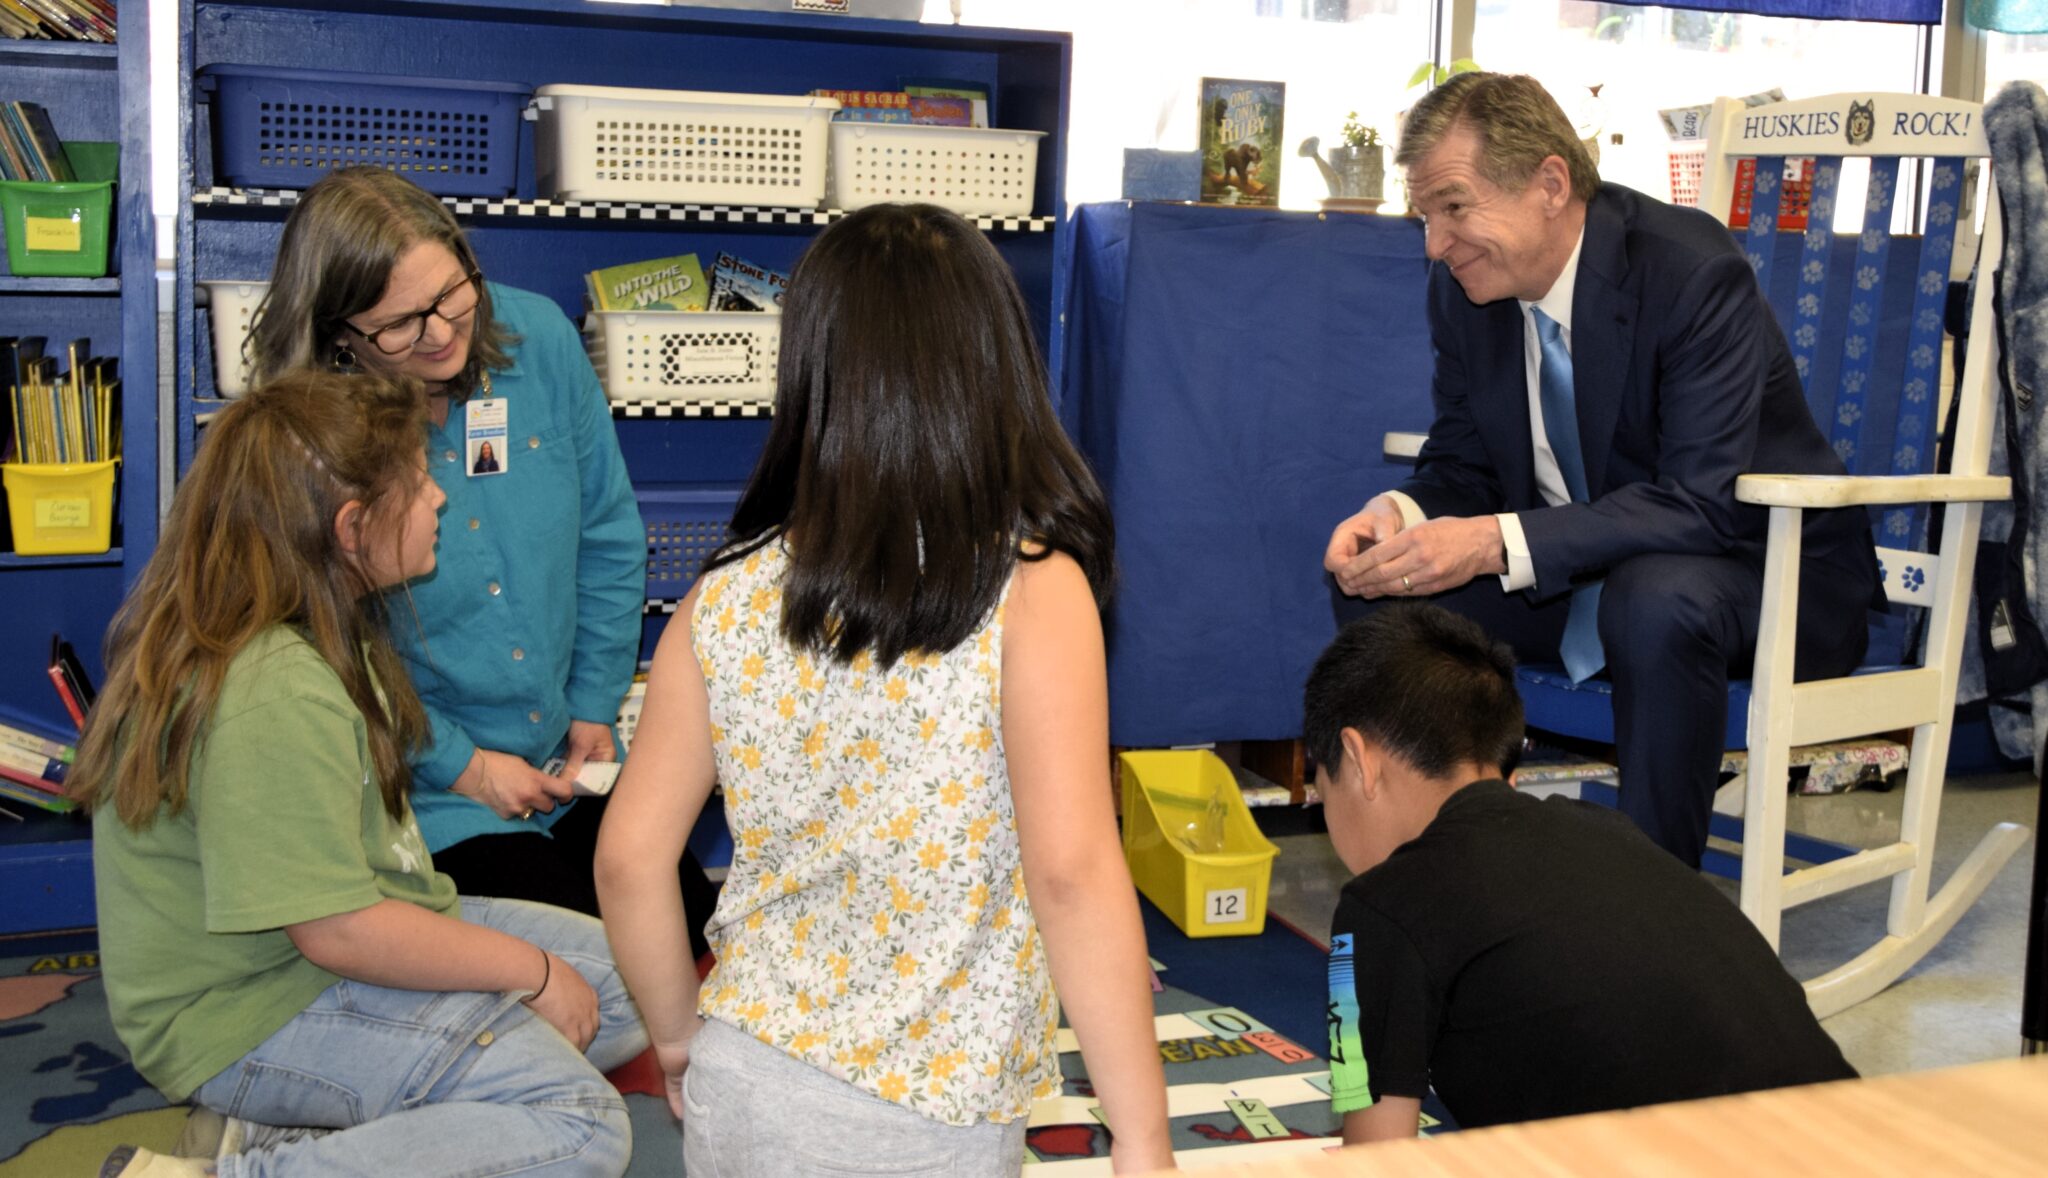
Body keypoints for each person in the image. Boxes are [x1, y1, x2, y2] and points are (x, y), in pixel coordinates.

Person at [594, 203, 1176, 1176]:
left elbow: (626, 861)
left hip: (743, 1075)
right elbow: (1070, 872)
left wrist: (675, 1042)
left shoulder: (721, 598)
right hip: (927, 1109)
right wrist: (1144, 1138)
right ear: (996, 371)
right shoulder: (1031, 590)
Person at [76, 371, 649, 1178]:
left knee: (635, 981)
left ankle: (297, 1126)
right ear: (351, 529)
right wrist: (532, 971)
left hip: (339, 941)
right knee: (581, 1126)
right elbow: (338, 932)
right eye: (420, 483)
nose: (441, 499)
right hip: (253, 1009)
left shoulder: (320, 620)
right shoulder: (269, 686)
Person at [1321, 73, 1881, 870]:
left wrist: (1489, 542)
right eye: (1425, 215)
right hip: (1587, 584)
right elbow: (1462, 464)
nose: (1435, 245)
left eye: (1453, 206)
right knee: (1378, 587)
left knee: (1655, 598)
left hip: (1767, 581)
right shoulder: (1464, 294)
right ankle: (1431, 878)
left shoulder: (1691, 273)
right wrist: (1400, 520)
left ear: (1550, 184)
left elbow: (1699, 505)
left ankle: (1655, 917)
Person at [248, 166, 716, 956]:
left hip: (568, 751)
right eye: (398, 323)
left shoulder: (540, 341)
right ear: (339, 337)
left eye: (451, 293)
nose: (439, 331)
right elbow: (324, 651)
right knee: (573, 956)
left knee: (689, 928)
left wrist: (594, 707)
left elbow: (607, 533)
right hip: (433, 786)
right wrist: (463, 765)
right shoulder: (313, 436)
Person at [1302, 604, 1857, 1144]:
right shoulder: (1607, 829)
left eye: (1321, 793)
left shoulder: (1379, 906)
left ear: (1358, 760)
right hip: (1868, 1138)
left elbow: (1376, 1159)